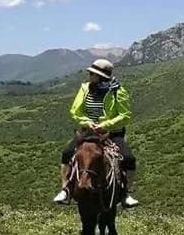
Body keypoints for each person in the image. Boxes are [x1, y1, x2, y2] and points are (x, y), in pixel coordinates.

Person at [53, 58, 139, 208]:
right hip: (88, 132)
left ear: (101, 76)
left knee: (128, 158)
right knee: (67, 153)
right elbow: (75, 111)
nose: (90, 76)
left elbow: (125, 115)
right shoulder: (85, 89)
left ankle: (126, 192)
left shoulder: (117, 91)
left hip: (112, 133)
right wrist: (88, 122)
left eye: (92, 74)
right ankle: (66, 189)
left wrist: (105, 125)